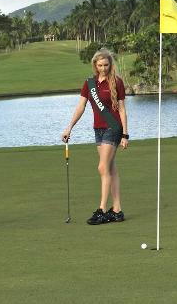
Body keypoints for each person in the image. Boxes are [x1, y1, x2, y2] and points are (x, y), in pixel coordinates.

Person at [61, 48, 129, 225]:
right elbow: (80, 107)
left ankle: (102, 210)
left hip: (113, 128)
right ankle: (117, 210)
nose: (103, 68)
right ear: (95, 65)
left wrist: (125, 134)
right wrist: (69, 128)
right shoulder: (89, 83)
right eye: (100, 65)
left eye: (106, 65)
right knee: (110, 168)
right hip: (98, 129)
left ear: (110, 64)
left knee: (102, 167)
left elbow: (122, 110)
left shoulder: (117, 82)